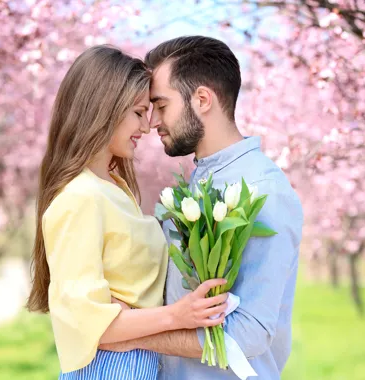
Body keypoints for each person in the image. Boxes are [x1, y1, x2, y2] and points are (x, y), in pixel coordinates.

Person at [100, 36, 304, 380]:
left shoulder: (263, 191)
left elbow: (249, 333)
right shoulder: (193, 186)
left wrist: (131, 334)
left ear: (202, 99)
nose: (152, 123)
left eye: (162, 106)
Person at [27, 45, 228, 380]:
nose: (147, 127)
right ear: (103, 110)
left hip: (137, 363)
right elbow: (87, 325)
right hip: (110, 369)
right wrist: (178, 315)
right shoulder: (81, 197)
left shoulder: (113, 187)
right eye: (138, 112)